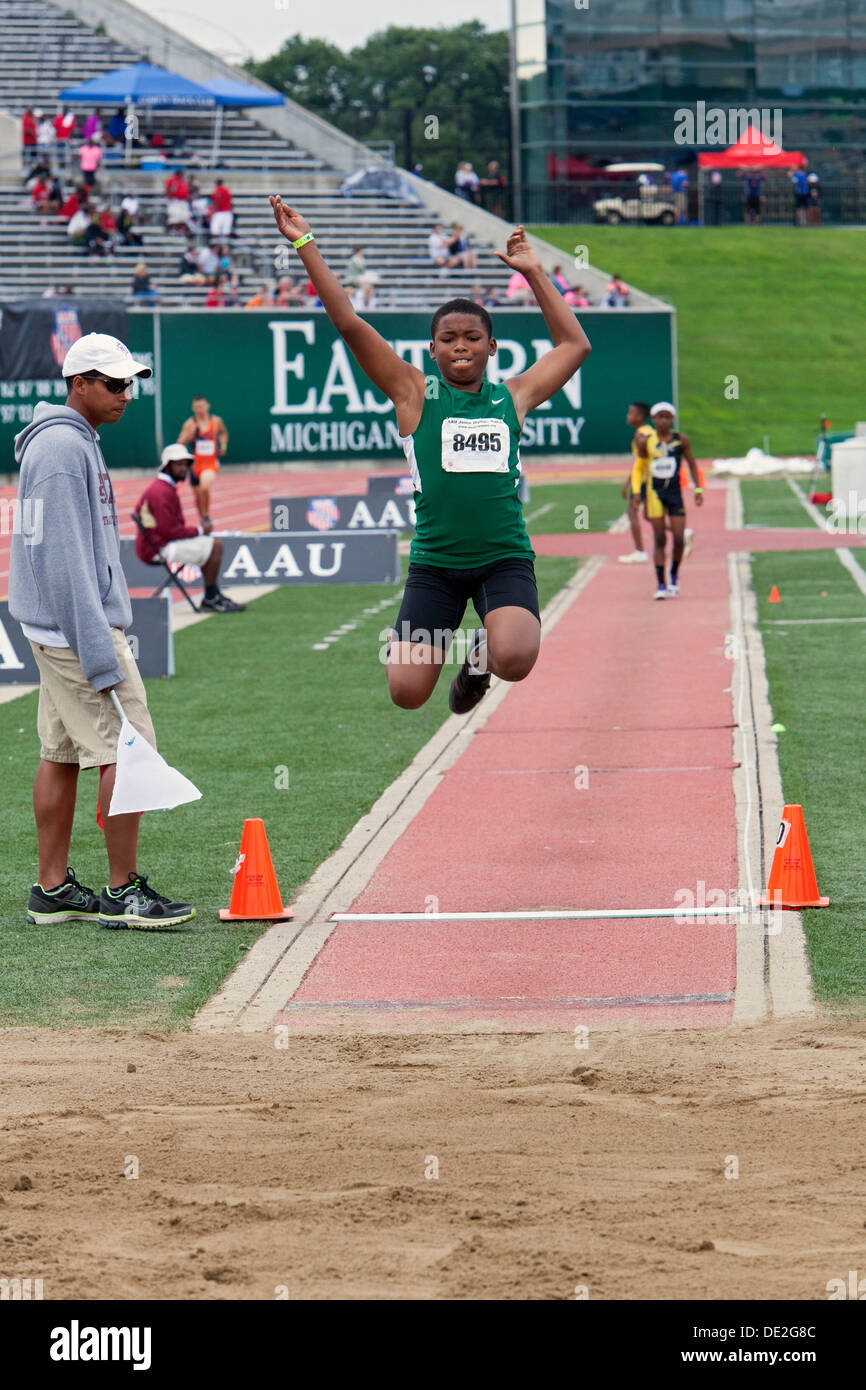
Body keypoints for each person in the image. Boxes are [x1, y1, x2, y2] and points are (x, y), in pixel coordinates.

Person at [271, 194, 591, 714]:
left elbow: (574, 346)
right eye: (448, 338)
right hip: (436, 566)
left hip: (502, 560)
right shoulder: (413, 394)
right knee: (407, 693)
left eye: (472, 338)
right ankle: (462, 656)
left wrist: (534, 271)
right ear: (432, 349)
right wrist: (305, 243)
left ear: (492, 347)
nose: (460, 346)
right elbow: (349, 323)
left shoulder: (513, 397)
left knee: (515, 657)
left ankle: (481, 660)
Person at [8, 333, 196, 930]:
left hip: (56, 627)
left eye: (130, 384)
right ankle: (122, 892)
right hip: (75, 632)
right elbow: (63, 562)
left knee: (60, 753)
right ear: (78, 383)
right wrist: (98, 650)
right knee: (127, 746)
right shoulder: (64, 449)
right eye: (113, 384)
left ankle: (53, 888)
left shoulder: (66, 442)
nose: (126, 395)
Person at [134, 444, 245, 613]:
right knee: (215, 546)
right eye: (179, 464)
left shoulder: (164, 488)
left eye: (185, 464)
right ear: (167, 466)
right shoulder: (161, 491)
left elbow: (172, 529)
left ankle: (212, 595)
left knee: (210, 544)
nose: (183, 468)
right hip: (157, 548)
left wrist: (197, 533)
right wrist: (200, 531)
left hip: (159, 544)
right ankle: (211, 597)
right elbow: (169, 531)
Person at [637, 402, 703, 599]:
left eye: (668, 417)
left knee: (679, 538)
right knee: (660, 539)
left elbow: (691, 463)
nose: (664, 420)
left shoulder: (680, 440)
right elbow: (641, 468)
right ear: (654, 419)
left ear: (672, 419)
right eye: (660, 417)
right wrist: (638, 495)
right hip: (654, 493)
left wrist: (698, 488)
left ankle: (674, 573)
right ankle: (661, 583)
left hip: (675, 494)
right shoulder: (645, 442)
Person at [177, 395, 228, 523]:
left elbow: (223, 433)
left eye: (202, 406)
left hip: (210, 464)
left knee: (204, 487)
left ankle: (206, 516)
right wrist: (189, 436)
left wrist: (223, 445)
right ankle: (203, 519)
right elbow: (180, 443)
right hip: (195, 466)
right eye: (197, 407)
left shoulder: (216, 421)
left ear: (207, 406)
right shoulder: (190, 424)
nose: (200, 409)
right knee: (197, 496)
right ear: (193, 408)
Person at [618, 401, 654, 565]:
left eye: (630, 413)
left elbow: (641, 464)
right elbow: (639, 463)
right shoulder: (646, 431)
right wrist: (628, 483)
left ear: (639, 416)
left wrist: (636, 488)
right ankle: (680, 532)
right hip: (647, 480)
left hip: (645, 481)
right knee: (649, 515)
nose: (628, 416)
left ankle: (640, 552)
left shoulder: (641, 434)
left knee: (633, 513)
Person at [165, 167, 190, 232]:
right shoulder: (172, 179)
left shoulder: (183, 180)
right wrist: (170, 197)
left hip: (183, 201)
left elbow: (185, 191)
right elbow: (168, 189)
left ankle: (180, 231)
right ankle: (170, 231)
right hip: (175, 201)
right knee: (174, 218)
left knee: (183, 218)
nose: (182, 174)